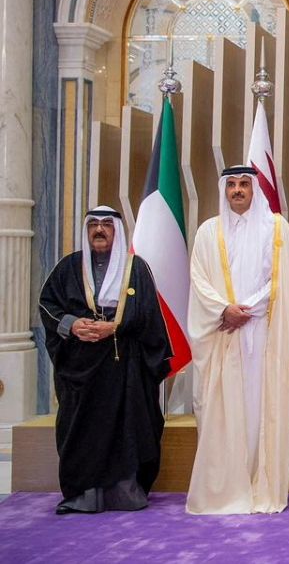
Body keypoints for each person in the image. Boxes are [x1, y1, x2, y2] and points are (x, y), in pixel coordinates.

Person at [186, 166, 289, 514]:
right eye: (232, 185)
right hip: (222, 332)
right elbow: (198, 280)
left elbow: (283, 278)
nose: (238, 190)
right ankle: (227, 488)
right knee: (223, 409)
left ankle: (261, 483)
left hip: (263, 331)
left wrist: (249, 309)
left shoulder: (276, 228)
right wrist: (224, 309)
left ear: (255, 189)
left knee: (260, 407)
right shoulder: (207, 232)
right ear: (224, 190)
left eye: (244, 184)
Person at [38, 206, 172, 514]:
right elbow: (47, 305)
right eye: (94, 225)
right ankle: (81, 495)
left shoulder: (135, 268)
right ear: (87, 230)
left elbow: (150, 314)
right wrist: (71, 324)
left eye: (106, 225)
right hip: (81, 368)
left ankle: (124, 492)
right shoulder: (68, 267)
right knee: (81, 428)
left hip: (124, 366)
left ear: (116, 230)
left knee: (128, 425)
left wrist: (115, 326)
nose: (99, 230)